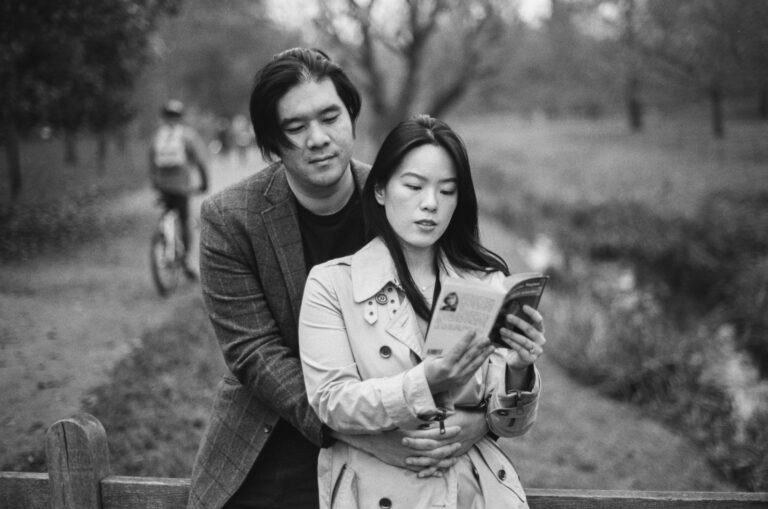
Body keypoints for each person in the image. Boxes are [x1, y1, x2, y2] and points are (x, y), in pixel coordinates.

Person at [188, 48, 493, 509]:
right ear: (272, 142)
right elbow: (253, 351)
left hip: (403, 421)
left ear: (351, 118)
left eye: (330, 117)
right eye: (296, 127)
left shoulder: (399, 196)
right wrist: (353, 430)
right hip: (274, 430)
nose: (318, 139)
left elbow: (461, 314)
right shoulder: (230, 219)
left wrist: (481, 420)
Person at [299, 115, 545, 508]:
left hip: (476, 493)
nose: (430, 203)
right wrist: (425, 382)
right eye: (414, 186)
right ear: (380, 189)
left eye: (447, 191)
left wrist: (518, 368)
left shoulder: (485, 282)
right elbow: (332, 402)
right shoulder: (333, 284)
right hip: (376, 491)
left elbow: (509, 425)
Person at [149, 99, 210, 278]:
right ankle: (186, 260)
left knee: (167, 214)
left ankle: (164, 237)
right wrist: (204, 183)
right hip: (181, 187)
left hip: (162, 187)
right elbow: (200, 161)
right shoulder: (187, 136)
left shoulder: (157, 136)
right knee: (184, 221)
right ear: (180, 117)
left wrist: (155, 183)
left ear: (164, 117)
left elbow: (151, 163)